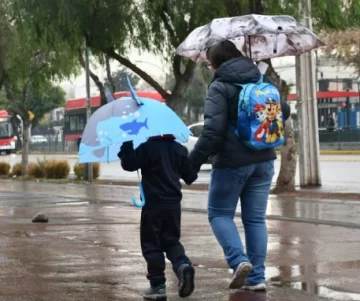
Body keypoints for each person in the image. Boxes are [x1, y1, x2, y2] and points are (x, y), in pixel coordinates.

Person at [189, 41, 290, 292]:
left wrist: (190, 164)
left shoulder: (220, 86)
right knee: (255, 220)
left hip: (232, 163)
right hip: (264, 159)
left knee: (219, 214)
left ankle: (238, 260)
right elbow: (283, 111)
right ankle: (256, 278)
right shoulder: (260, 79)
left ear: (215, 64)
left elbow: (212, 132)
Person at [118, 135, 198, 300]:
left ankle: (158, 286)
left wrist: (126, 145)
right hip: (174, 206)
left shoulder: (147, 148)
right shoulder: (178, 149)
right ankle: (182, 265)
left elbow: (129, 164)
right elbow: (190, 176)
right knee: (171, 241)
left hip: (153, 206)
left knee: (151, 244)